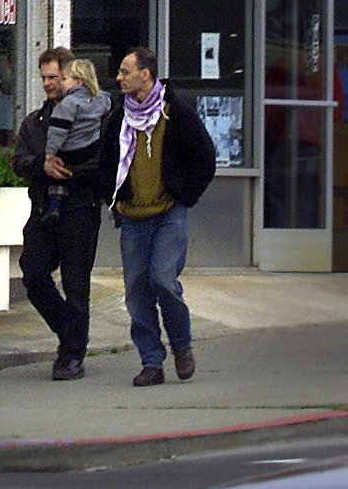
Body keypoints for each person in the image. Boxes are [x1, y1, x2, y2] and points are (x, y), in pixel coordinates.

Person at [99, 45, 217, 387]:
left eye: (125, 71)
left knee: (164, 281)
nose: (119, 77)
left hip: (169, 214)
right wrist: (114, 199)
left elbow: (204, 158)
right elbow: (106, 161)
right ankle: (151, 361)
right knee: (136, 293)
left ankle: (181, 345)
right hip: (133, 218)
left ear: (145, 74)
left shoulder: (175, 111)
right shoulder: (120, 115)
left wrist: (185, 196)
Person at [12, 45, 102, 381]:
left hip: (80, 208)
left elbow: (105, 162)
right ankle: (71, 332)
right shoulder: (34, 123)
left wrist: (70, 172)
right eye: (45, 78)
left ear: (70, 77)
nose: (49, 84)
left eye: (55, 77)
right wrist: (42, 165)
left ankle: (71, 356)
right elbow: (19, 162)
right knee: (33, 274)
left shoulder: (93, 115)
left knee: (76, 285)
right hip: (43, 210)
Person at [42, 57, 111, 222]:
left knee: (57, 173)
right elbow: (107, 107)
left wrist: (49, 153)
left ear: (79, 81)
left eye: (64, 79)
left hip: (71, 149)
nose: (61, 83)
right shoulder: (101, 99)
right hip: (91, 146)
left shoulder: (67, 104)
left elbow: (57, 131)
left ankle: (53, 206)